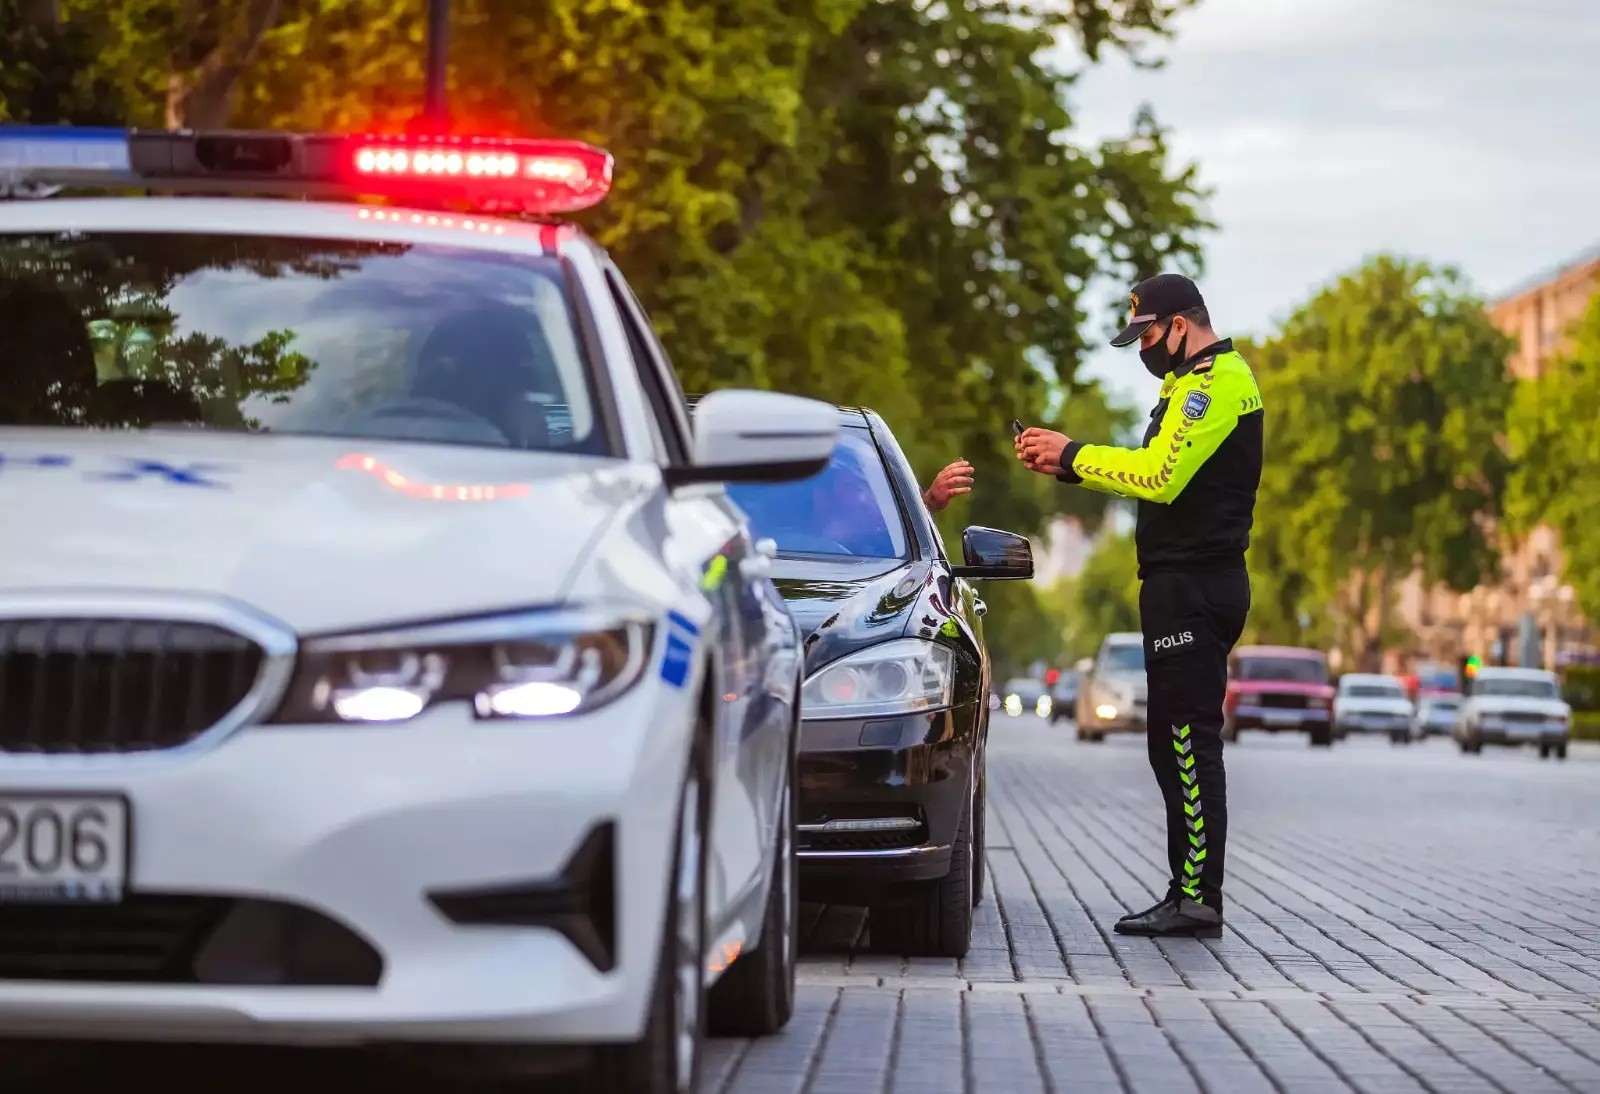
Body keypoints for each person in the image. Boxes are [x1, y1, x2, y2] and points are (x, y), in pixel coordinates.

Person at [1014, 273, 1262, 938]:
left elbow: (1159, 475)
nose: (1144, 350)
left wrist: (1074, 455)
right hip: (1178, 586)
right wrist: (1070, 466)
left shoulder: (1214, 384)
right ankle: (1187, 889)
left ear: (1182, 324)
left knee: (1187, 740)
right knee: (1167, 743)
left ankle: (1198, 899)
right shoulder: (1189, 384)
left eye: (1148, 335)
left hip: (1197, 586)